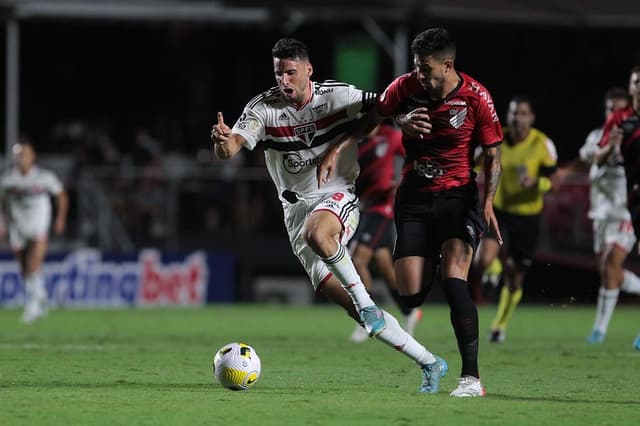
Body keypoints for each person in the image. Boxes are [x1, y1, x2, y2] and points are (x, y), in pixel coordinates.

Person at [210, 37, 448, 393]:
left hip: (337, 197)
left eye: (291, 72)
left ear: (308, 70)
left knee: (320, 235)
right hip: (295, 212)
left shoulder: (336, 96)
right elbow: (230, 150)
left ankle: (367, 301)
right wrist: (221, 140)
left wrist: (402, 118)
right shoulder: (264, 109)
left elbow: (382, 106)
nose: (284, 81)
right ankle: (430, 362)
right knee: (357, 312)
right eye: (279, 73)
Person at [319, 27, 503, 397]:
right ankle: (432, 265)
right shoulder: (404, 89)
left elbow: (494, 154)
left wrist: (486, 202)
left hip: (458, 198)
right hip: (415, 198)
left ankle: (471, 379)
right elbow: (370, 121)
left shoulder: (476, 97)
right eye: (417, 68)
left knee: (455, 282)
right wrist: (343, 146)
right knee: (410, 294)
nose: (421, 76)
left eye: (426, 69)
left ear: (447, 65)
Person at [557, 87, 640, 345]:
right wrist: (563, 172)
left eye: (619, 109)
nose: (614, 113)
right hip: (601, 215)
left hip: (624, 210)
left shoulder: (631, 138)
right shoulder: (596, 136)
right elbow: (586, 159)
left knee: (610, 266)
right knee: (609, 274)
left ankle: (599, 331)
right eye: (610, 109)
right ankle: (599, 331)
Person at [475, 96, 557, 344]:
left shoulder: (543, 144)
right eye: (513, 113)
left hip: (528, 215)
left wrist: (537, 183)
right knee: (483, 259)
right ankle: (494, 269)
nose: (517, 118)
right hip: (498, 210)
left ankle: (499, 325)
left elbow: (552, 180)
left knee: (516, 274)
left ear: (531, 117)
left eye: (523, 113)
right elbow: (473, 166)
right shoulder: (495, 139)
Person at [347, 122, 423, 343]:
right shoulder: (355, 142)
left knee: (357, 259)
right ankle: (409, 310)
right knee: (382, 263)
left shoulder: (391, 135)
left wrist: (404, 181)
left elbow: (415, 154)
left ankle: (367, 317)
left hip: (382, 207)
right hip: (364, 206)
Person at [0, 139, 68, 323]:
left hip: (39, 224)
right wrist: (2, 223)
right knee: (24, 269)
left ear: (32, 157)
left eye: (25, 154)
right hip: (17, 227)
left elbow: (61, 196)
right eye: (19, 155)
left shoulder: (44, 177)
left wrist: (60, 218)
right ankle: (40, 294)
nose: (22, 158)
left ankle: (33, 305)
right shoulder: (8, 179)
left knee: (33, 264)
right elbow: (2, 201)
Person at [598, 66, 640, 350]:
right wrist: (612, 147)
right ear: (631, 87)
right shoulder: (620, 120)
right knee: (606, 265)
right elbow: (599, 160)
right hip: (633, 200)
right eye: (638, 82)